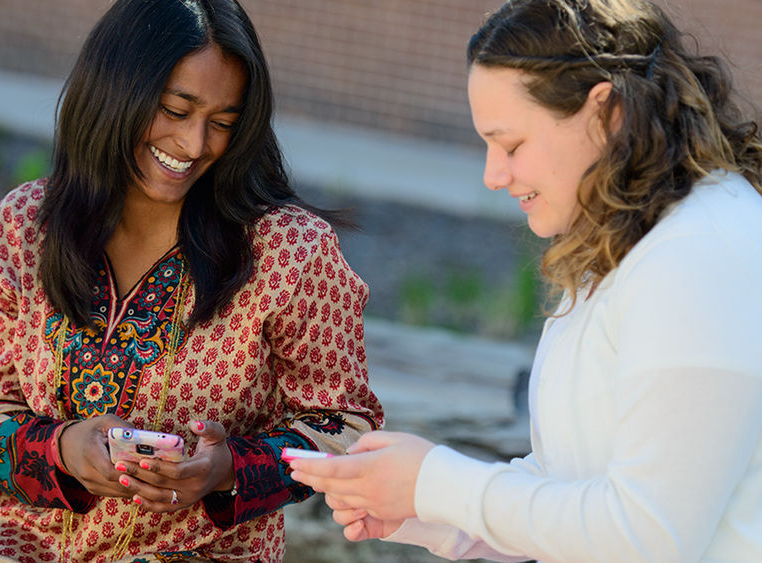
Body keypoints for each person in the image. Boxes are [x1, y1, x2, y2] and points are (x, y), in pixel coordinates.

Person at [289, 0, 762, 561]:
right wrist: (421, 509)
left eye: (511, 145)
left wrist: (439, 483)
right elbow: (568, 487)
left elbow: (648, 535)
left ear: (605, 114)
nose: (493, 175)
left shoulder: (699, 254)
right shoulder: (628, 244)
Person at [0, 0, 383, 561]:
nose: (193, 145)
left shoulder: (290, 252)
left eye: (223, 124)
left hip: (198, 551)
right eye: (173, 109)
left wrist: (226, 468)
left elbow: (347, 429)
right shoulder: (22, 229)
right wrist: (65, 448)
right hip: (18, 543)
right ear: (114, 90)